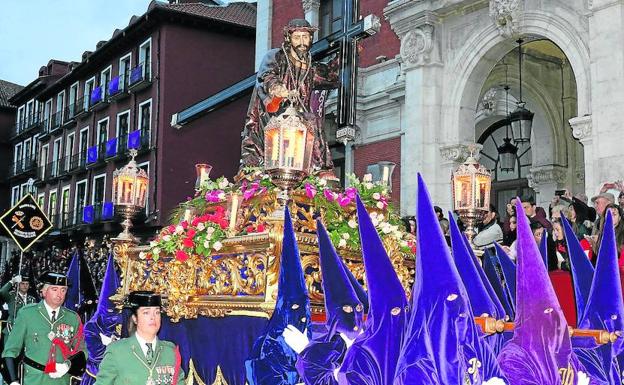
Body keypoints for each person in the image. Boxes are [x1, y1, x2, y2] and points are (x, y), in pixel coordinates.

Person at [240, 18, 339, 174]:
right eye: (297, 37)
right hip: (274, 113)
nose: (302, 42)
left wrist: (348, 50)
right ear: (288, 38)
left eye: (305, 37)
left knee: (311, 122)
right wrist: (278, 89)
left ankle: (319, 170)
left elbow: (331, 75)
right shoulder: (276, 56)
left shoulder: (311, 68)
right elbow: (267, 75)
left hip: (299, 118)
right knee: (276, 142)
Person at [2, 271, 86, 385]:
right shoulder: (27, 314)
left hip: (62, 380)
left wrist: (67, 366)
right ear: (44, 291)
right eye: (54, 289)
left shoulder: (73, 318)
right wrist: (13, 381)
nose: (59, 294)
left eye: (63, 290)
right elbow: (10, 351)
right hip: (34, 379)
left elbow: (83, 350)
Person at [94, 291, 185, 385]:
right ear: (135, 318)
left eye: (157, 312)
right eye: (146, 312)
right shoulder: (117, 351)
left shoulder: (170, 351)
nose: (153, 317)